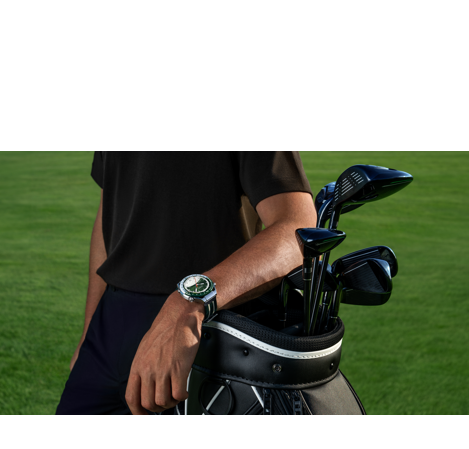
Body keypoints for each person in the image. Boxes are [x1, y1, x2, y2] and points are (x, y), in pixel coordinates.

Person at [56, 152, 315, 415]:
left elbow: (296, 229)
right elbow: (111, 212)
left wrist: (190, 301)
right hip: (109, 327)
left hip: (204, 332)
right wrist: (90, 329)